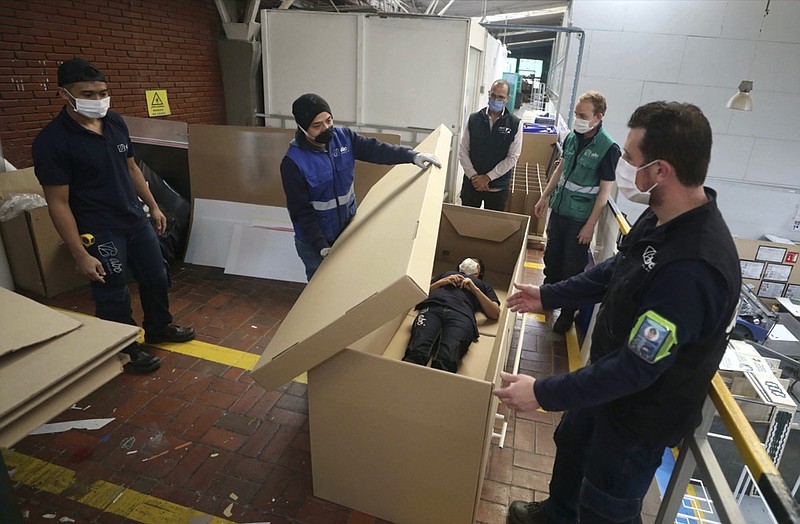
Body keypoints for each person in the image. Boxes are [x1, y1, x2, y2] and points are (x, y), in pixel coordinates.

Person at [494, 101, 741, 524]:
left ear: (661, 171)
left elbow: (636, 368)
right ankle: (555, 515)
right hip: (602, 386)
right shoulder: (662, 217)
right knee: (572, 447)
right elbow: (615, 269)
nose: (623, 165)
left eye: (630, 158)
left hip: (636, 417)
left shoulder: (694, 269)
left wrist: (542, 393)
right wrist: (549, 295)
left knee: (604, 504)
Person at [32, 58, 195, 374]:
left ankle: (159, 327)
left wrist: (154, 206)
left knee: (156, 275)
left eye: (103, 93)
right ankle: (125, 348)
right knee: (113, 289)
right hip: (99, 228)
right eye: (88, 94)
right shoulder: (53, 142)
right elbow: (58, 203)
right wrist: (80, 255)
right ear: (64, 94)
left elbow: (132, 167)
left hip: (134, 218)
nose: (98, 100)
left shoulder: (116, 122)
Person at [281, 93, 441, 281]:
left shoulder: (344, 138)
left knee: (349, 281)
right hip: (315, 240)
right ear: (302, 127)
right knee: (322, 289)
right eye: (317, 126)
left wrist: (412, 156)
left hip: (346, 229)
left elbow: (377, 150)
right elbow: (301, 211)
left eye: (329, 120)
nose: (326, 128)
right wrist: (320, 245)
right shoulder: (293, 162)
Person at [534, 91, 620, 334]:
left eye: (583, 115)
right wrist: (544, 196)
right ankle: (548, 296)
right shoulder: (573, 137)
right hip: (560, 210)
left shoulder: (608, 148)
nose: (578, 119)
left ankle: (567, 314)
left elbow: (604, 192)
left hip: (579, 218)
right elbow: (560, 168)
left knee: (572, 268)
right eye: (576, 114)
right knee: (552, 258)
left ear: (598, 117)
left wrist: (590, 225)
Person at [402, 258, 500, 373]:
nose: (469, 261)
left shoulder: (483, 286)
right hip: (433, 308)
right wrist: (442, 282)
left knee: (447, 359)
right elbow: (419, 294)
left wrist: (475, 289)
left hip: (462, 316)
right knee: (416, 351)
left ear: (479, 272)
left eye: (475, 261)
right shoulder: (446, 274)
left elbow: (494, 313)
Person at [458, 79, 523, 211]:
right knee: (465, 224)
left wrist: (488, 177)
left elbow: (513, 157)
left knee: (492, 228)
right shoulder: (474, 119)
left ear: (507, 99)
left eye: (500, 97)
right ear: (488, 94)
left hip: (497, 188)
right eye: (493, 95)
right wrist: (474, 176)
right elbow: (463, 149)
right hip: (472, 184)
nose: (496, 99)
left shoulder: (515, 124)